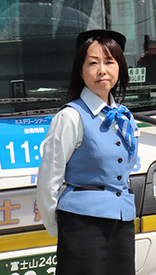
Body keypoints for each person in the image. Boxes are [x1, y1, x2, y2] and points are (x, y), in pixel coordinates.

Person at [36, 29, 139, 275]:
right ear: (81, 72)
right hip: (82, 223)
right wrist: (58, 226)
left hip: (122, 221)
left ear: (120, 68)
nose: (102, 70)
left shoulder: (125, 116)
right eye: (93, 63)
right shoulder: (70, 116)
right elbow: (49, 178)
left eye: (109, 62)